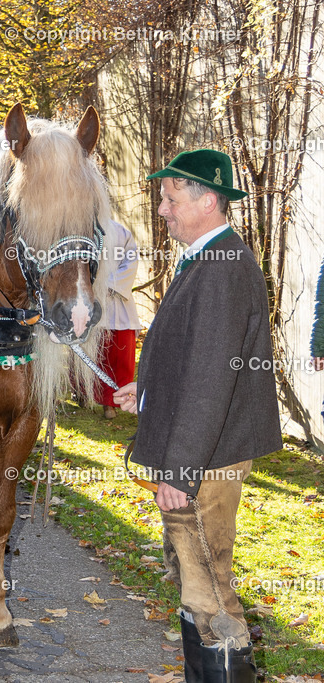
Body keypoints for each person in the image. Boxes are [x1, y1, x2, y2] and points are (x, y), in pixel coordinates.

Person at [113, 149, 281, 683]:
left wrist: (181, 472)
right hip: (203, 455)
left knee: (209, 591)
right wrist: (150, 387)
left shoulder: (222, 267)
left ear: (208, 200)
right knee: (195, 582)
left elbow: (212, 380)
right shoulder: (211, 258)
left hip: (205, 462)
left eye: (171, 199)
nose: (162, 210)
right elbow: (200, 356)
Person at [96, 220, 141, 419]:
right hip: (90, 300)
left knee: (119, 357)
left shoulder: (121, 232)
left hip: (118, 302)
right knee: (96, 357)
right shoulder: (79, 226)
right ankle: (86, 394)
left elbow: (131, 261)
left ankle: (113, 402)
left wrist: (111, 285)